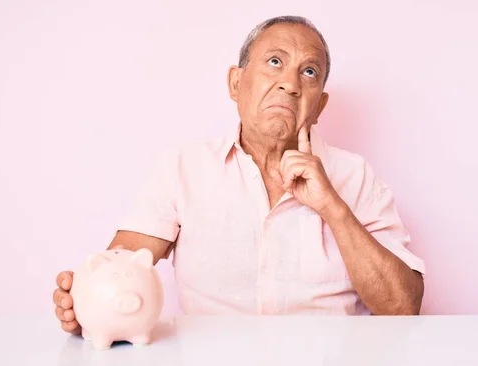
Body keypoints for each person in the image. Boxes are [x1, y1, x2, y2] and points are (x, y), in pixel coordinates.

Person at [52, 15, 425, 334]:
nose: (291, 84)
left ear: (320, 105)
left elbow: (403, 308)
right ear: (235, 83)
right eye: (275, 62)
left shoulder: (356, 177)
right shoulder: (185, 167)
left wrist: (333, 208)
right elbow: (123, 262)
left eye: (308, 72)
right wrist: (87, 301)